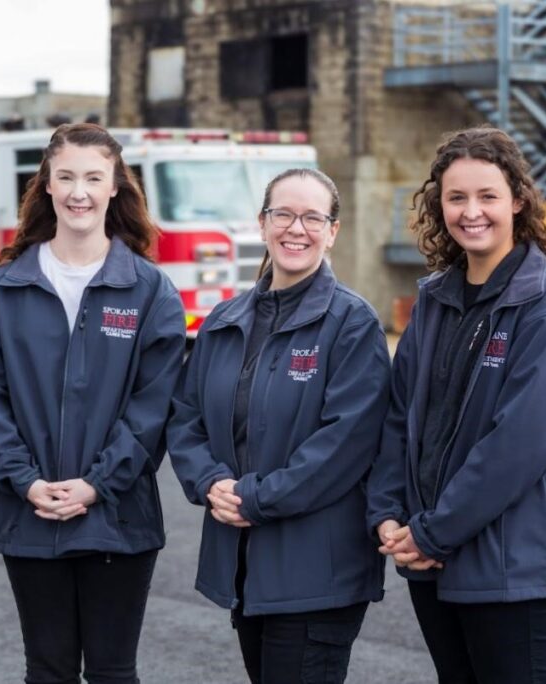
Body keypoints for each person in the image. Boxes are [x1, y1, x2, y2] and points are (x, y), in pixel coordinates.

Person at [0, 123, 186, 684]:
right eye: (66, 177)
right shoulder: (2, 290)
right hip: (30, 511)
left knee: (112, 672)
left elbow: (153, 409)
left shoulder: (149, 290)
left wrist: (96, 485)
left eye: (93, 177)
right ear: (47, 186)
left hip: (118, 517)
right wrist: (26, 481)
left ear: (115, 188)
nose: (79, 191)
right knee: (49, 669)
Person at [366, 126, 546, 684]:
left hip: (513, 565)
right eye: (456, 197)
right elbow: (401, 417)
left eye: (487, 196)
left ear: (518, 199)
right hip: (434, 561)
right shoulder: (436, 299)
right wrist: (388, 514)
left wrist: (432, 533)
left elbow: (520, 446)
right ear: (438, 204)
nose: (472, 212)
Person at [167, 168, 391, 684]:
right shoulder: (224, 321)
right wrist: (210, 483)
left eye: (313, 217)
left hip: (317, 575)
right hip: (248, 569)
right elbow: (186, 419)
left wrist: (253, 499)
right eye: (283, 214)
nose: (297, 228)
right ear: (262, 223)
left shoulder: (351, 324)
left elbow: (344, 445)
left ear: (333, 231)